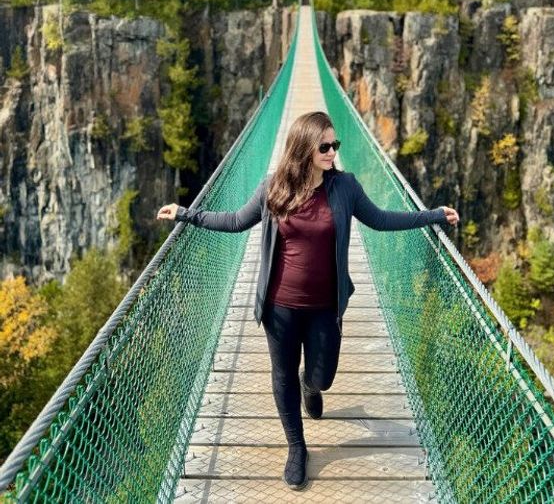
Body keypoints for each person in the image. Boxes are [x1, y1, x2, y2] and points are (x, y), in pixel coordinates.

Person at [156, 110, 459, 490]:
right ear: (304, 148)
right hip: (280, 306)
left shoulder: (345, 186)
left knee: (323, 376)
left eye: (335, 144)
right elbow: (235, 221)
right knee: (281, 373)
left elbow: (380, 219)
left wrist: (431, 216)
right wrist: (187, 214)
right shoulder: (273, 188)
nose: (333, 151)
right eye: (325, 146)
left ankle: (310, 386)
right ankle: (297, 447)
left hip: (326, 306)